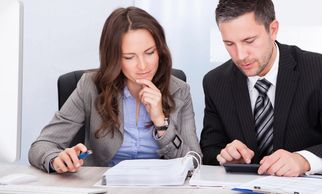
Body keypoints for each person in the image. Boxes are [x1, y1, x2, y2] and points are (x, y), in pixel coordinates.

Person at [200, 0, 322, 176]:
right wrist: (226, 156)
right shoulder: (215, 82)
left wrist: (303, 161)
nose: (241, 55)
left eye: (249, 41)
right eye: (229, 44)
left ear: (273, 30)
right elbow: (210, 149)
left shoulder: (321, 71)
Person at [29, 6, 201, 173]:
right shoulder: (90, 86)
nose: (142, 65)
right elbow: (41, 145)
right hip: (104, 186)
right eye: (129, 57)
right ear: (114, 58)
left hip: (161, 188)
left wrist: (161, 123)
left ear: (160, 51)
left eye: (149, 53)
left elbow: (194, 160)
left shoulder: (179, 90)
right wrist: (56, 159)